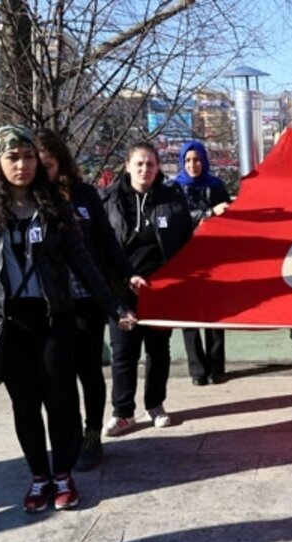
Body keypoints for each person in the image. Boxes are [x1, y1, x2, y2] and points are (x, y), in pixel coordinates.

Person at [0, 125, 136, 512]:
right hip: (9, 323)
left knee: (60, 400)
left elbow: (83, 262)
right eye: (12, 157)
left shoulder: (55, 206)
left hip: (54, 318)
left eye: (27, 156)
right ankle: (39, 476)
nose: (21, 165)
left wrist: (115, 305)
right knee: (24, 404)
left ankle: (63, 474)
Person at [34, 129, 141, 471]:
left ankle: (91, 433)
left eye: (46, 165)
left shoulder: (84, 195)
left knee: (88, 369)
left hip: (87, 297)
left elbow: (107, 241)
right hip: (46, 303)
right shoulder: (27, 199)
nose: (38, 171)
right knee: (55, 374)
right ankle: (66, 437)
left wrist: (126, 274)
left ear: (60, 163)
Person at [101, 142, 194, 436]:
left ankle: (155, 405)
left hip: (159, 289)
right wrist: (123, 280)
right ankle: (122, 413)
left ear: (158, 168)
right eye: (139, 164)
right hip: (121, 288)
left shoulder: (172, 199)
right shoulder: (108, 200)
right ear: (127, 165)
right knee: (123, 351)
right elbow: (99, 247)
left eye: (151, 164)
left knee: (158, 350)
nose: (145, 170)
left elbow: (185, 245)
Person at [171, 140, 231, 385]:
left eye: (196, 160)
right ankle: (197, 369)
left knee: (216, 315)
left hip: (213, 257)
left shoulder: (216, 185)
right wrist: (208, 214)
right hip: (185, 258)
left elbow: (228, 216)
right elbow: (177, 218)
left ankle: (217, 367)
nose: (192, 165)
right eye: (187, 160)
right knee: (189, 317)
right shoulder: (174, 187)